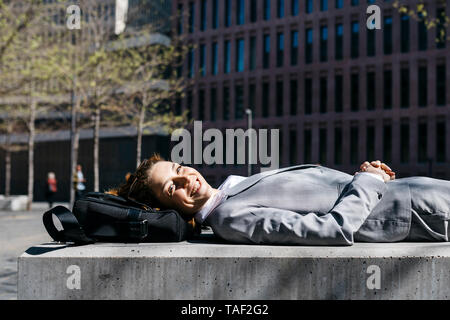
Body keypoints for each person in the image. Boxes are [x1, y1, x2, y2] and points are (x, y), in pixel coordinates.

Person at [110, 154, 450, 245]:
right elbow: (334, 230)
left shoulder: (230, 190)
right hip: (423, 212)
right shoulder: (229, 217)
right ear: (166, 208)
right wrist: (367, 182)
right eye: (172, 188)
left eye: (180, 167)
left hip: (418, 195)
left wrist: (360, 174)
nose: (187, 178)